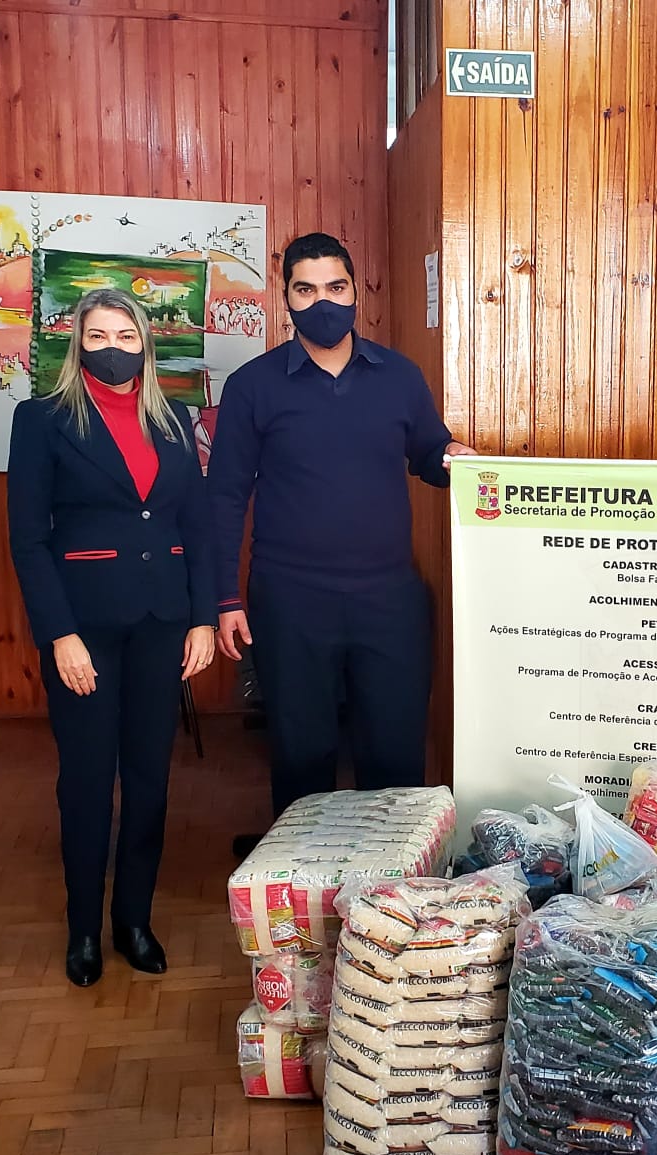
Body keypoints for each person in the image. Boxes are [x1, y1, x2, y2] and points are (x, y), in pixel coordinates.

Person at [208, 233, 475, 849]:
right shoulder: (253, 386)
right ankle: (303, 877)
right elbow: (223, 497)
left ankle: (393, 885)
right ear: (286, 299)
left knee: (394, 752)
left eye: (336, 287)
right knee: (302, 753)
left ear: (357, 292)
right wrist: (224, 598)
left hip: (388, 598)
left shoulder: (398, 376)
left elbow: (428, 453)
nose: (323, 302)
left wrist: (453, 456)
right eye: (306, 290)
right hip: (290, 600)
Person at [8, 288, 217, 987]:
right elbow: (29, 541)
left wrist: (202, 617)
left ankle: (133, 920)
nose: (113, 349)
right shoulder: (42, 420)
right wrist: (59, 634)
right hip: (85, 629)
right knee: (88, 782)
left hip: (162, 623)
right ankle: (83, 930)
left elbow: (195, 525)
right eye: (98, 336)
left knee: (151, 782)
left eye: (126, 336)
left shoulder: (175, 419)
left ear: (145, 344)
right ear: (77, 344)